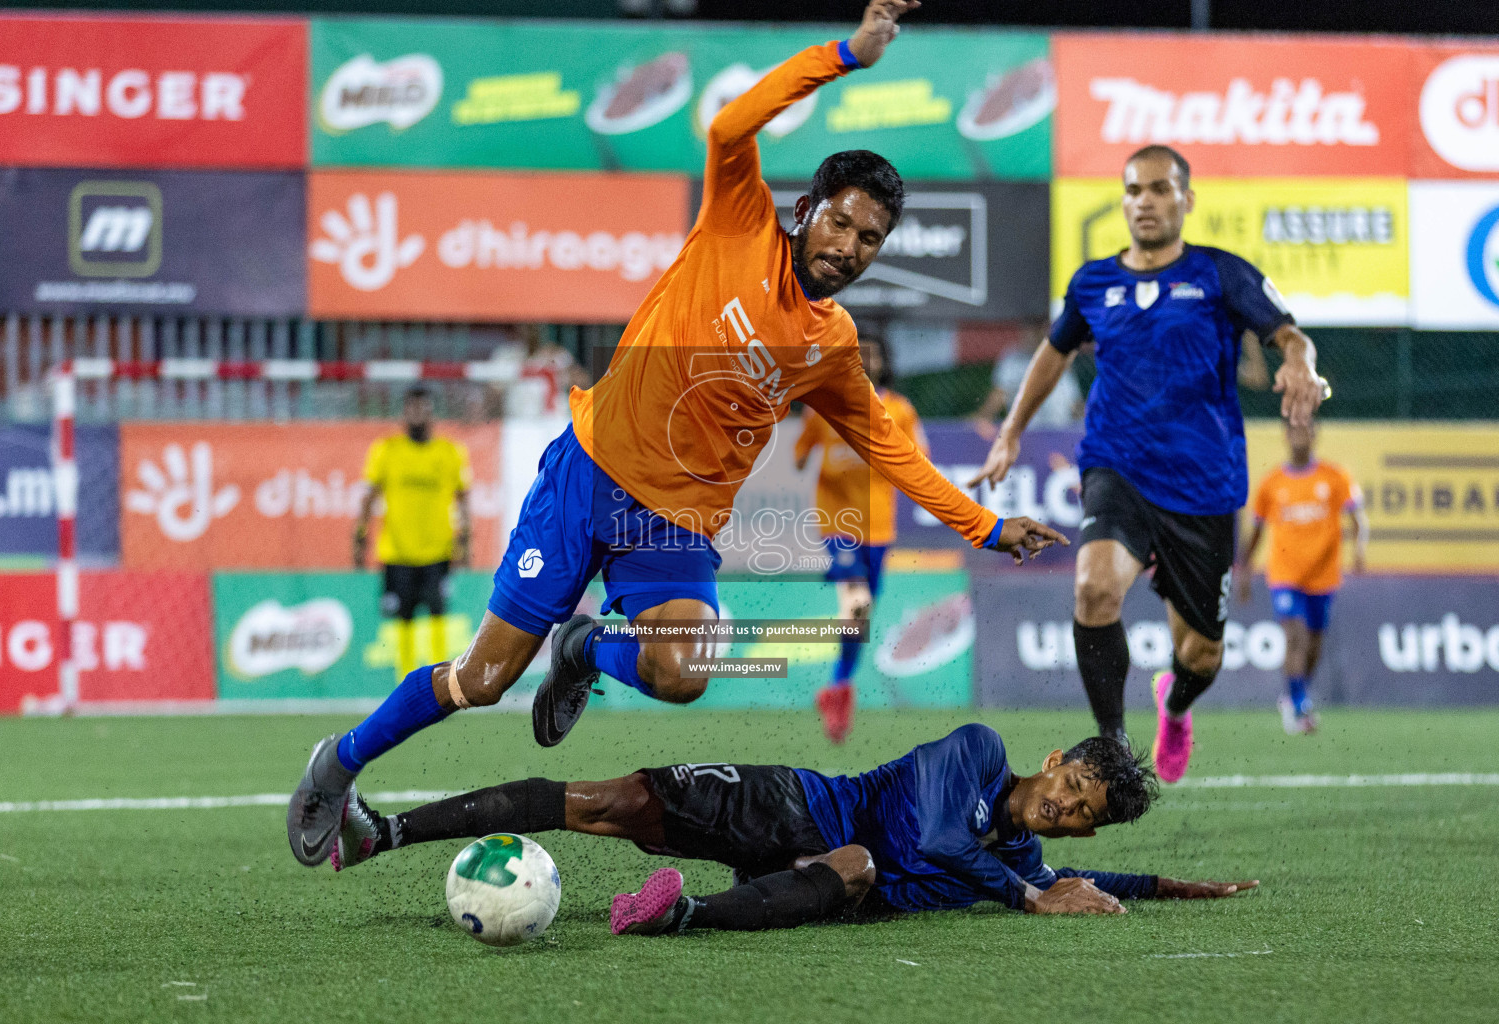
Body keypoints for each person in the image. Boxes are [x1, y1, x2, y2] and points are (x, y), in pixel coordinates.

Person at [287, 0, 1067, 868]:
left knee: (684, 674)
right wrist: (847, 53)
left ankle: (586, 647)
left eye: (871, 239)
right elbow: (734, 119)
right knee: (485, 680)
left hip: (673, 528)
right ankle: (339, 762)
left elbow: (892, 452)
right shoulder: (736, 222)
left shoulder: (833, 349)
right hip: (587, 478)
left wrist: (988, 528)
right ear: (806, 210)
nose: (850, 246)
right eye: (841, 222)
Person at [969, 143, 1326, 784]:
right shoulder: (1093, 282)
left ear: (1186, 199)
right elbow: (1052, 356)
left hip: (1203, 487)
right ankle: (1112, 747)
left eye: (1161, 189)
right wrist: (1011, 431)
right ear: (1124, 199)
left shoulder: (1221, 273)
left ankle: (1176, 704)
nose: (1146, 202)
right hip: (1117, 466)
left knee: (1201, 655)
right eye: (1135, 190)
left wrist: (1299, 360)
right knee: (1093, 587)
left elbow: (1286, 332)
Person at [329, 722, 1256, 933]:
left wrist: (1181, 887)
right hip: (801, 803)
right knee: (613, 803)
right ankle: (389, 834)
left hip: (832, 875)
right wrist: (1026, 893)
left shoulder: (1026, 858)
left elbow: (1078, 884)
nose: (1069, 807)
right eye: (1078, 784)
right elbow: (936, 841)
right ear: (1056, 760)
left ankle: (674, 916)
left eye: (1086, 815)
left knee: (856, 870)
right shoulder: (978, 752)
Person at [792, 330, 924, 743]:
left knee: (862, 617)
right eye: (858, 353)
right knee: (858, 604)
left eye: (874, 354)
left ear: (885, 362)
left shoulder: (899, 411)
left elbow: (918, 461)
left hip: (879, 527)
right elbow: (799, 456)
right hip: (837, 524)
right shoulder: (824, 407)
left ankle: (837, 687)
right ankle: (839, 689)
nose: (867, 361)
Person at [1235, 421, 1367, 734]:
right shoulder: (1272, 483)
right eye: (1294, 431)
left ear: (1315, 435)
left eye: (1305, 431)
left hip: (1322, 576)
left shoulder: (1334, 477)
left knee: (1314, 645)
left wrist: (1359, 549)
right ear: (1286, 436)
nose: (1300, 437)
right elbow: (1255, 531)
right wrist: (1243, 569)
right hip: (1284, 575)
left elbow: (1358, 519)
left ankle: (1295, 693)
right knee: (1296, 637)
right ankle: (1299, 707)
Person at [352, 384, 472, 681]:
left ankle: (441, 682)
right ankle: (405, 683)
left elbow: (463, 498)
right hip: (398, 551)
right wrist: (360, 536)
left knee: (438, 615)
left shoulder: (449, 452)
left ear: (432, 413)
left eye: (424, 408)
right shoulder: (386, 450)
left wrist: (465, 539)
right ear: (404, 413)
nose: (418, 415)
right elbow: (369, 497)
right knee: (402, 618)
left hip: (437, 550)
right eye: (412, 408)